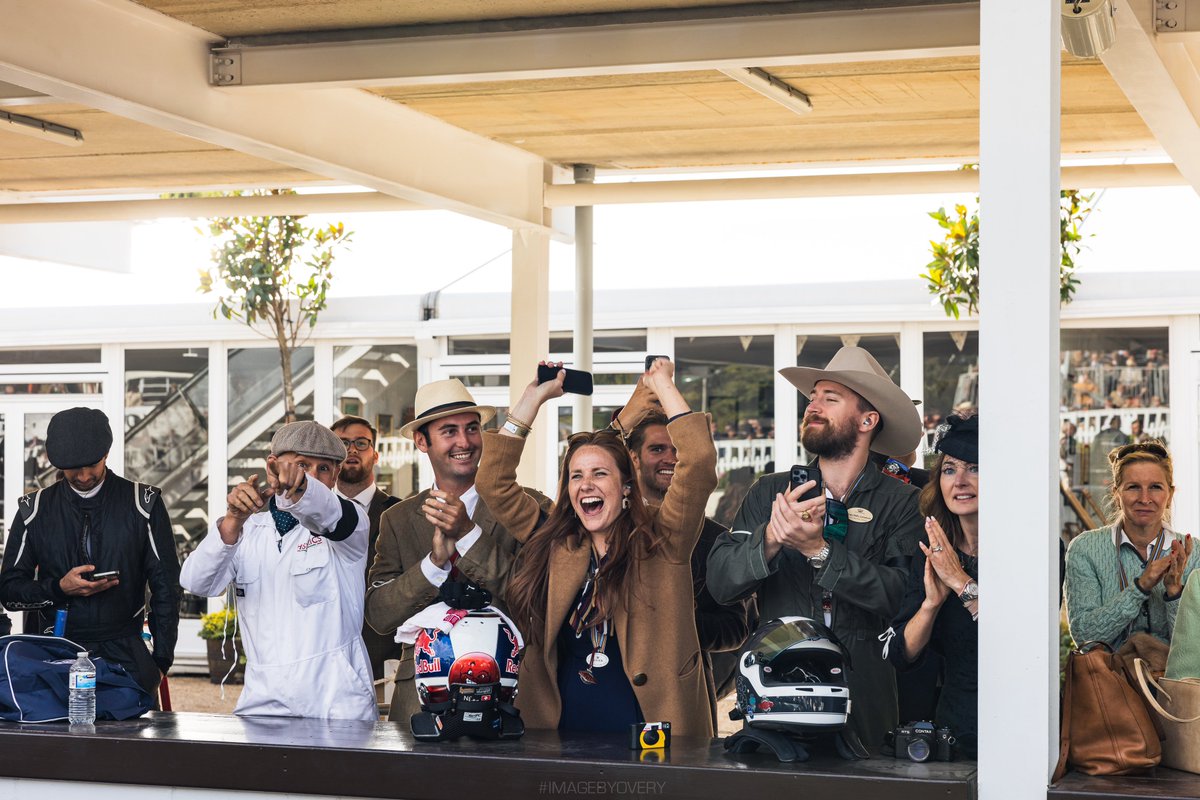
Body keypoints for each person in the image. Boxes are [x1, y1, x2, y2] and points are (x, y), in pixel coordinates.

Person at [469, 358, 717, 737]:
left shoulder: (665, 538)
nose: (586, 484)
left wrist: (662, 385)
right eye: (576, 476)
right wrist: (531, 400)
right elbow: (493, 481)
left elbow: (698, 461)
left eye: (600, 473)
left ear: (626, 487)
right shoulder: (555, 539)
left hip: (650, 729)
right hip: (566, 727)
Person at [707, 346, 924, 750]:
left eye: (830, 398)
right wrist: (772, 538)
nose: (813, 406)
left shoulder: (902, 502)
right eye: (812, 397)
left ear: (867, 420)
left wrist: (820, 552)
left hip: (864, 701)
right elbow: (720, 583)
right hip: (777, 694)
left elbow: (902, 597)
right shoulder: (770, 492)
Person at [365, 379, 545, 724]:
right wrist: (433, 566)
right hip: (419, 700)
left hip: (510, 692)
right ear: (422, 441)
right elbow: (379, 615)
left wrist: (469, 535)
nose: (464, 442)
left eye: (472, 429)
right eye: (449, 431)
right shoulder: (398, 519)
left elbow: (536, 598)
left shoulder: (527, 505)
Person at [180, 421, 374, 720]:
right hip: (263, 701)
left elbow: (326, 510)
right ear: (272, 465)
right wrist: (232, 521)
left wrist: (299, 490)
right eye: (300, 464)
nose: (310, 475)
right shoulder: (249, 529)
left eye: (324, 469)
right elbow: (197, 582)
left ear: (336, 474)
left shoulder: (351, 520)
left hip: (337, 703)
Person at [0, 407, 180, 703]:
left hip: (126, 656)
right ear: (55, 461)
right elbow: (8, 591)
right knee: (56, 749)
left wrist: (160, 661)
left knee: (130, 748)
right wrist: (59, 588)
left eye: (91, 466)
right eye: (73, 468)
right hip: (53, 655)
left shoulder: (143, 503)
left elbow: (167, 588)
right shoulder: (33, 510)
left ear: (106, 454)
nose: (83, 476)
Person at [626, 412, 753, 718]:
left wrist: (675, 622)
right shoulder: (605, 530)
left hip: (680, 698)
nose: (671, 458)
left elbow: (736, 628)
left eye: (678, 451)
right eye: (658, 449)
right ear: (633, 458)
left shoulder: (715, 539)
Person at [883, 414, 980, 756]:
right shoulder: (933, 548)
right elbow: (901, 654)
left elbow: (1022, 640)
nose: (960, 482)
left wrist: (961, 582)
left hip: (1017, 721)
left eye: (975, 468)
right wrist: (930, 605)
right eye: (950, 470)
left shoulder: (1035, 549)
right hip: (951, 729)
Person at [1065, 440, 1199, 650]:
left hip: (1174, 682)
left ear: (1169, 494)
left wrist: (1174, 592)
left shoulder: (1195, 553)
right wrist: (1140, 587)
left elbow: (1193, 649)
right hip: (1107, 680)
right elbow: (1084, 636)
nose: (1144, 499)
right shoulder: (1085, 549)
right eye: (1133, 487)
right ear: (1116, 494)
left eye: (1155, 487)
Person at [330, 415, 402, 686]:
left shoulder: (399, 512)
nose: (351, 450)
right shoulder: (309, 515)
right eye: (342, 443)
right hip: (324, 651)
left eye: (361, 443)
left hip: (383, 653)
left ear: (376, 455)